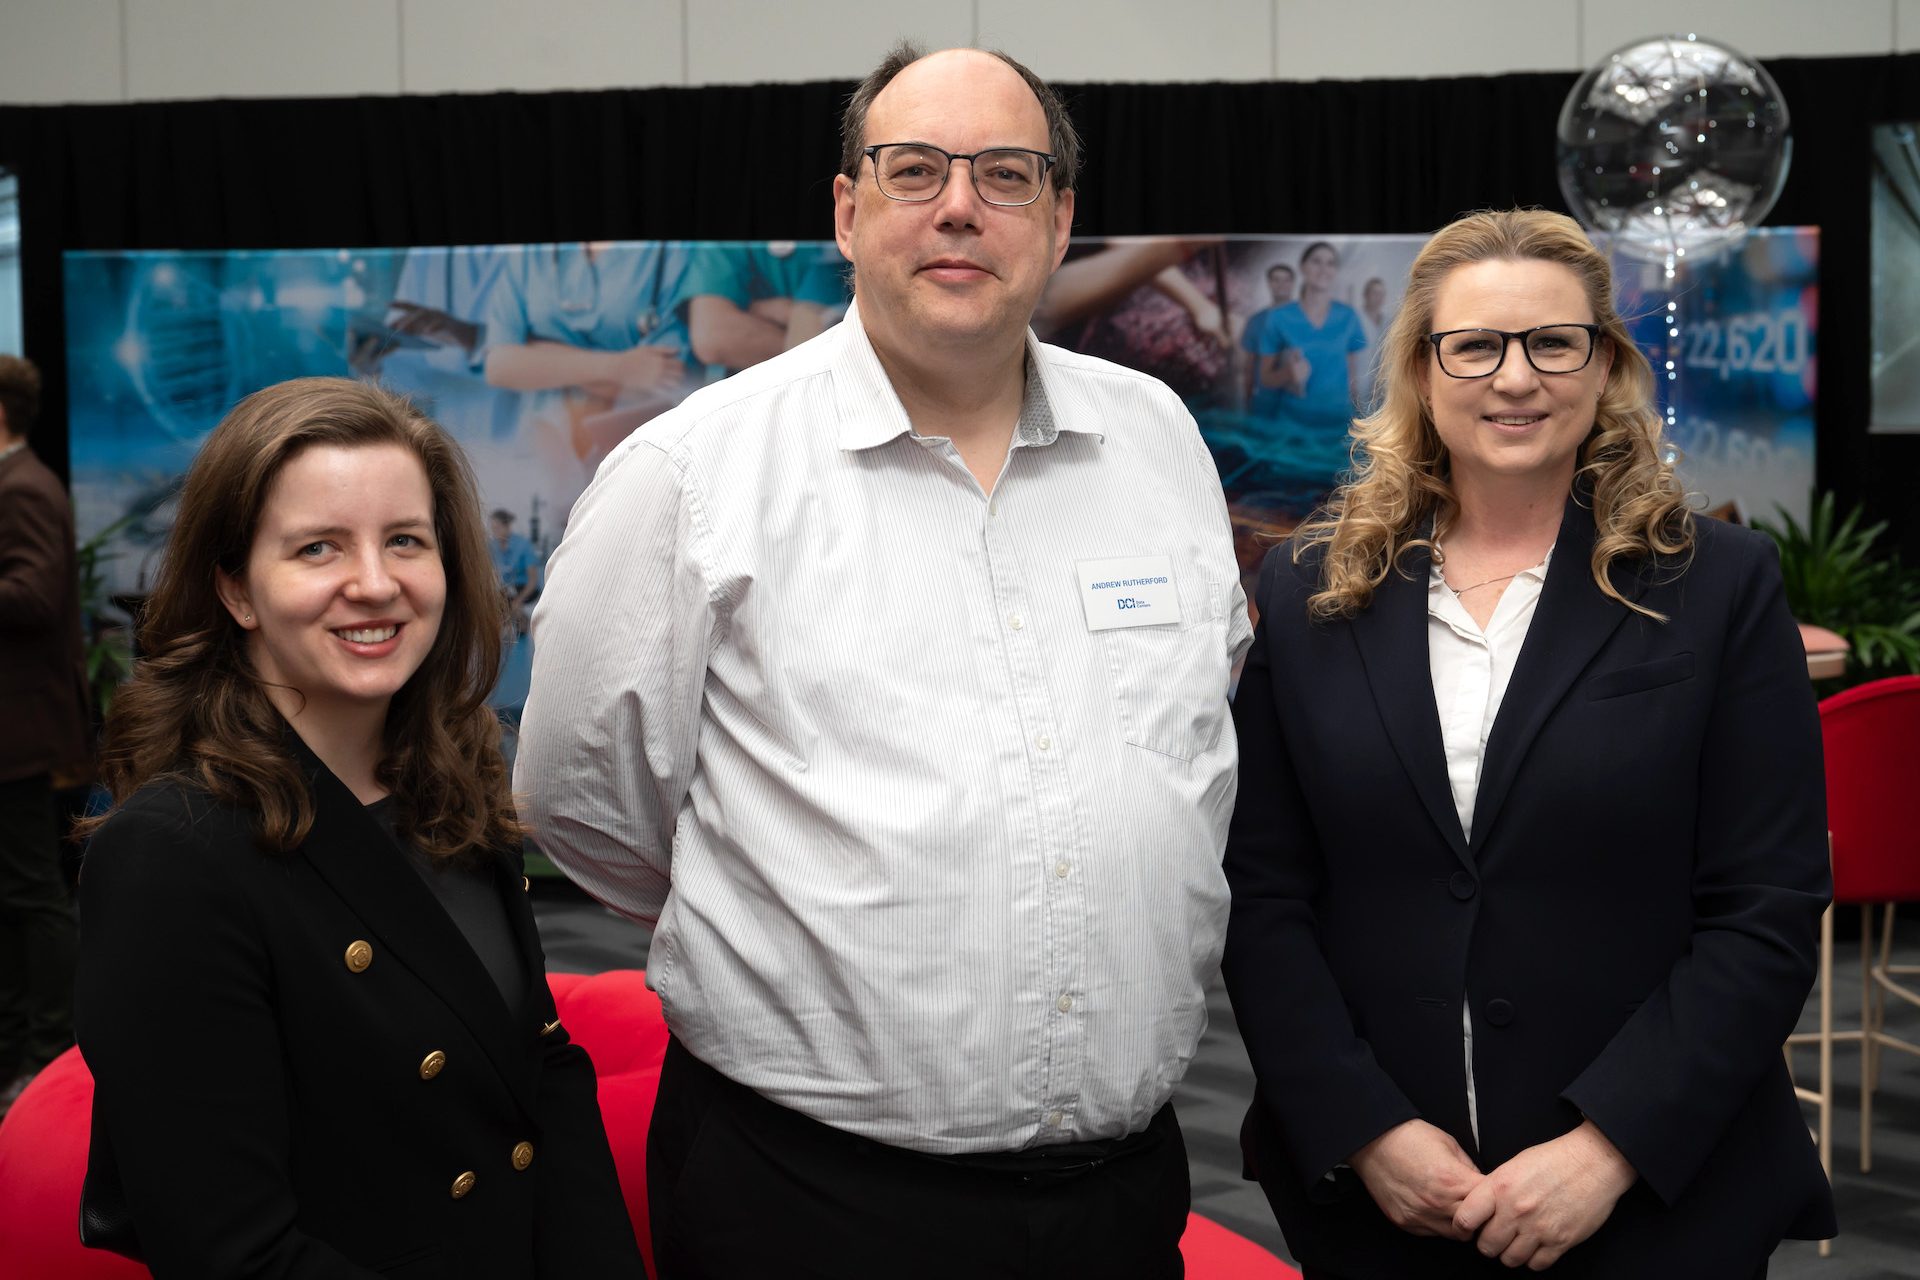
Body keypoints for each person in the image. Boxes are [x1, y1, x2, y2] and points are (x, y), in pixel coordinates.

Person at [516, 43, 1251, 1279]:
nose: (959, 205)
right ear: (848, 212)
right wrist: (775, 916)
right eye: (914, 170)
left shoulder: (1155, 438)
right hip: (810, 1201)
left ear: (1061, 218)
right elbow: (579, 798)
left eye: (1007, 175)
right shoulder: (695, 472)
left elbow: (1195, 734)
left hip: (1121, 1197)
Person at [1222, 210, 1834, 1278]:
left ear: (1606, 365)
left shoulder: (1720, 584)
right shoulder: (1313, 585)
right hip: (1383, 1202)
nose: (1517, 377)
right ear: (1421, 366)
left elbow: (1767, 904)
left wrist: (1609, 1148)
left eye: (1555, 341)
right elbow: (1265, 890)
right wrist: (1365, 1124)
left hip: (1655, 1202)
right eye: (1476, 346)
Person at [75, 378, 644, 1279]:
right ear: (237, 591)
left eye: (405, 542)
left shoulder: (453, 782)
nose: (375, 584)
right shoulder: (171, 856)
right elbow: (231, 1250)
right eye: (317, 548)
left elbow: (543, 1081)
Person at [0, 354, 86, 1115]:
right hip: (16, 730)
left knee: (34, 894)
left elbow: (32, 596)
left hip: (20, 731)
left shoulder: (23, 487)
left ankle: (45, 1053)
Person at [1251, 241, 1368, 449]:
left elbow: (1353, 379)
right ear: (1303, 267)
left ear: (1336, 271)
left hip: (1338, 428)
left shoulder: (1348, 317)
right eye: (1316, 261)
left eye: (1330, 263)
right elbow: (1265, 379)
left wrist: (1360, 423)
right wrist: (1288, 374)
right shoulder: (1279, 317)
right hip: (1293, 427)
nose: (1324, 269)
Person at [1241, 262, 1297, 414]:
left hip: (1298, 401)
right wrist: (1248, 400)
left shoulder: (1306, 319)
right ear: (1269, 283)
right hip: (1266, 402)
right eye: (1276, 280)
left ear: (1292, 283)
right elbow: (1250, 365)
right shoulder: (1256, 321)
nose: (1281, 285)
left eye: (1286, 280)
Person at [488, 507, 541, 632]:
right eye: (493, 528)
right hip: (507, 588)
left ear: (507, 527)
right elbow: (493, 575)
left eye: (497, 528)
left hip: (526, 588)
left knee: (510, 604)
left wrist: (518, 600)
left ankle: (520, 620)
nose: (494, 532)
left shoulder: (523, 545)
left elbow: (533, 581)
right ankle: (514, 620)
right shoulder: (491, 546)